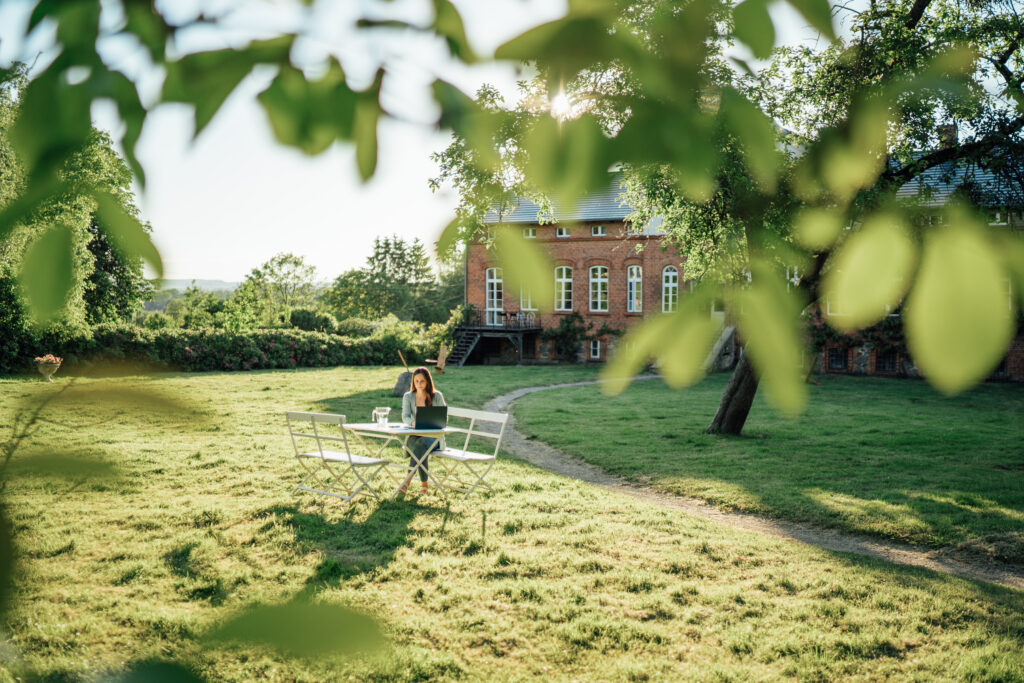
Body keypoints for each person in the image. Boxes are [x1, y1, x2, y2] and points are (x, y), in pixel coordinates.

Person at [400, 366, 446, 494]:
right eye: (416, 381)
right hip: (415, 433)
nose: (419, 384)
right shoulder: (408, 397)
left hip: (434, 437)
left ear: (428, 382)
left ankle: (407, 482)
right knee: (416, 445)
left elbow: (443, 419)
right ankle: (424, 485)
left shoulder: (436, 396)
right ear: (413, 382)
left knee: (419, 446)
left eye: (422, 381)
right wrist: (413, 422)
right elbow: (405, 416)